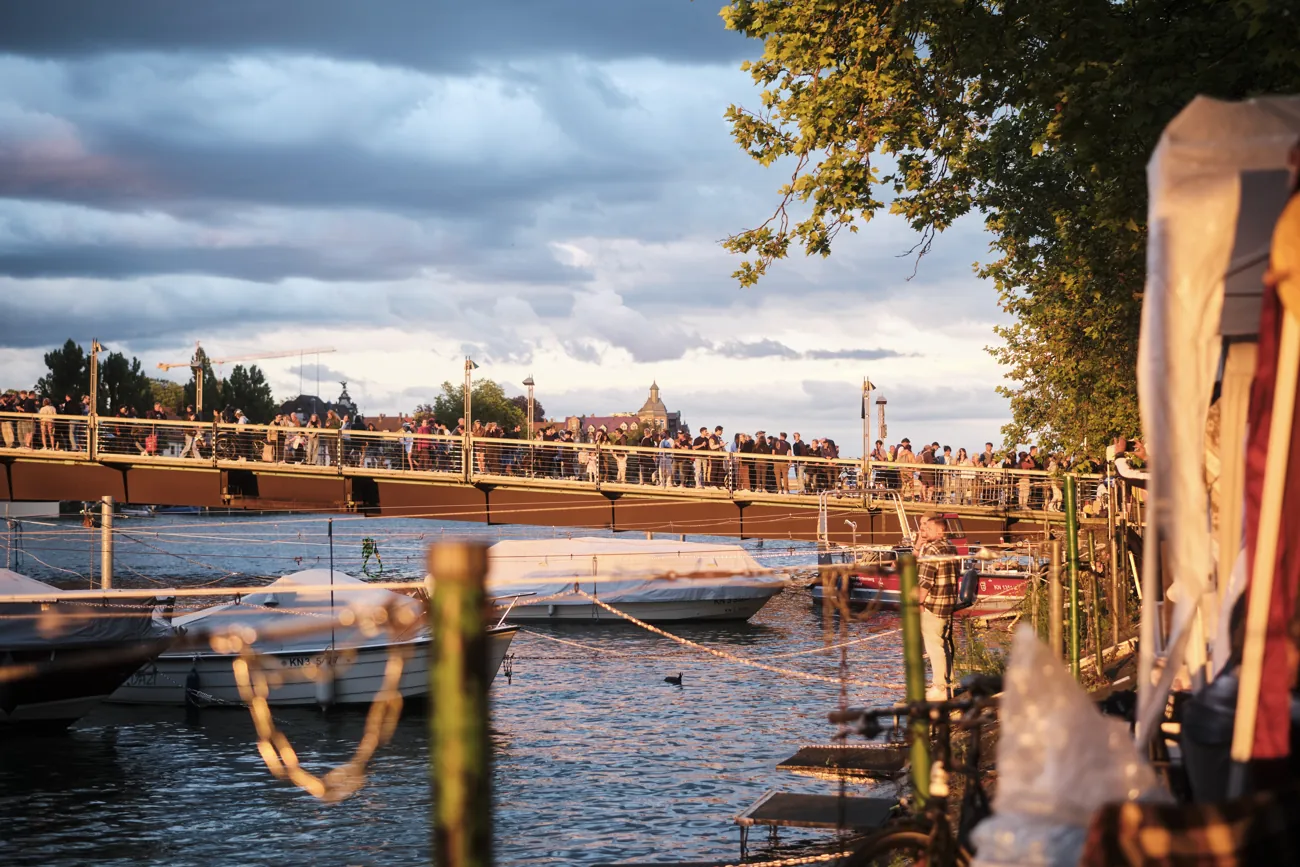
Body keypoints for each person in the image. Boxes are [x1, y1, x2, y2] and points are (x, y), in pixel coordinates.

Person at [914, 513, 960, 700]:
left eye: (930, 528)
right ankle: (948, 684)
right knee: (945, 644)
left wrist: (918, 602)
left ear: (941, 530)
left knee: (934, 646)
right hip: (949, 602)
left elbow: (925, 581)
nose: (927, 531)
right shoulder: (951, 547)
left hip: (934, 604)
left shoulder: (932, 550)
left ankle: (939, 688)